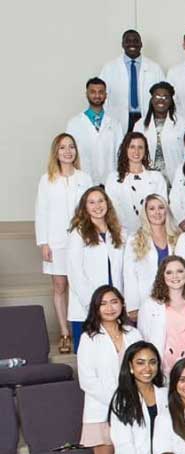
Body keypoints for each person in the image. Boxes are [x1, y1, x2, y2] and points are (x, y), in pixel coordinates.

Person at [78, 287, 142, 454]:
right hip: (101, 409)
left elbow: (142, 367)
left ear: (122, 304)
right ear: (96, 308)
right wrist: (117, 400)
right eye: (103, 303)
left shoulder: (134, 333)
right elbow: (87, 380)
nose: (109, 307)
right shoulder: (89, 337)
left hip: (132, 409)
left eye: (114, 301)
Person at [36, 133, 94, 352]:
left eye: (71, 147)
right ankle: (64, 332)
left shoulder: (84, 178)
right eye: (62, 148)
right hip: (56, 241)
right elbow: (41, 212)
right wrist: (44, 243)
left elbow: (92, 208)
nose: (68, 151)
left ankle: (85, 330)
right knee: (60, 286)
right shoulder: (47, 179)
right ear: (56, 152)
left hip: (82, 241)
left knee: (80, 285)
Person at [107, 341, 167, 454]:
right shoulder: (122, 399)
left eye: (152, 362)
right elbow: (124, 445)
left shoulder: (165, 395)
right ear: (130, 366)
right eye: (140, 363)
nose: (147, 369)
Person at [68, 187, 125, 350]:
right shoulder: (78, 234)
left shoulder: (118, 232)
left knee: (115, 352)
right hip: (87, 307)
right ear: (85, 207)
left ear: (107, 203)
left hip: (113, 307)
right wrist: (93, 305)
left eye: (101, 201)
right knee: (90, 354)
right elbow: (75, 273)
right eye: (91, 202)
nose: (97, 206)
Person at [137, 255, 185, 374]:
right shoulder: (149, 306)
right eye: (169, 272)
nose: (175, 276)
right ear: (162, 276)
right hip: (162, 370)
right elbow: (144, 339)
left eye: (179, 271)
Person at [124, 195, 182, 320]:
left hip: (176, 301)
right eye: (151, 209)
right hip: (146, 302)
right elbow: (129, 275)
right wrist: (133, 306)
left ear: (167, 210)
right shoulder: (135, 239)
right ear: (145, 213)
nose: (157, 212)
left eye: (161, 208)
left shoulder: (178, 237)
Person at [98, 29, 164, 131]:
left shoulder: (155, 68)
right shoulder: (109, 68)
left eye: (135, 41)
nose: (132, 44)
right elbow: (101, 95)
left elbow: (163, 95)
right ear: (123, 44)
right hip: (118, 118)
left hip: (146, 116)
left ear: (141, 44)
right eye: (128, 41)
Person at [66, 77, 123, 183]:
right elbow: (69, 154)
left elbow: (120, 153)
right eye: (93, 92)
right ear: (86, 94)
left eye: (101, 92)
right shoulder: (74, 124)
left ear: (106, 95)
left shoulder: (115, 124)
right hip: (82, 180)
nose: (97, 95)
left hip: (109, 181)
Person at [134, 81, 185, 185]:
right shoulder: (140, 125)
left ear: (171, 101)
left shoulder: (182, 123)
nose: (161, 100)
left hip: (176, 175)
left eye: (165, 97)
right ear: (151, 99)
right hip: (148, 176)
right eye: (157, 96)